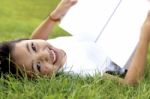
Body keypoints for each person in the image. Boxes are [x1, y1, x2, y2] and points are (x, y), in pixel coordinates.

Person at [0, 0, 150, 86]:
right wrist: (144, 37)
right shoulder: (80, 72)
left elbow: (35, 37)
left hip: (103, 25)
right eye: (38, 66)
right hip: (121, 43)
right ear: (36, 79)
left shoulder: (47, 47)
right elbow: (130, 83)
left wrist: (55, 15)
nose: (44, 54)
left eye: (33, 46)